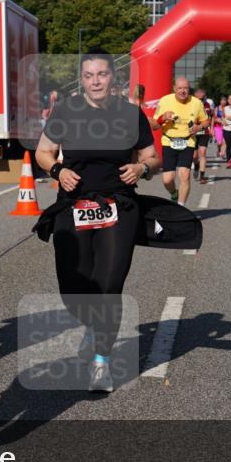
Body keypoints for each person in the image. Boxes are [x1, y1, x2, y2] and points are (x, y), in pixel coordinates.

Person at [34, 51, 160, 393]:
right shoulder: (65, 112)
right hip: (74, 205)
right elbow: (42, 153)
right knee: (73, 289)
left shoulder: (131, 115)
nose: (95, 81)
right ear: (82, 79)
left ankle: (101, 361)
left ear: (113, 78)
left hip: (118, 207)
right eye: (89, 75)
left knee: (108, 286)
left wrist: (141, 169)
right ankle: (94, 324)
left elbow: (152, 157)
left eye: (102, 74)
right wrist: (59, 171)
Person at [151, 76, 208, 204]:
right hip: (168, 142)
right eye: (180, 88)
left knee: (185, 175)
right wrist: (163, 118)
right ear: (174, 89)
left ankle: (181, 207)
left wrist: (199, 127)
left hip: (188, 141)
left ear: (189, 89)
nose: (183, 91)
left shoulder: (196, 103)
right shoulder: (165, 101)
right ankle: (173, 193)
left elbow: (206, 121)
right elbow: (154, 125)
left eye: (186, 88)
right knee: (167, 180)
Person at [193, 88, 214, 184]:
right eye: (198, 92)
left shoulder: (207, 105)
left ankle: (202, 176)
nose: (200, 94)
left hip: (204, 131)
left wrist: (212, 128)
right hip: (193, 131)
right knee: (194, 156)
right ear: (195, 94)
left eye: (202, 92)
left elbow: (211, 117)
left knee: (203, 152)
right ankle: (196, 165)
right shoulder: (191, 103)